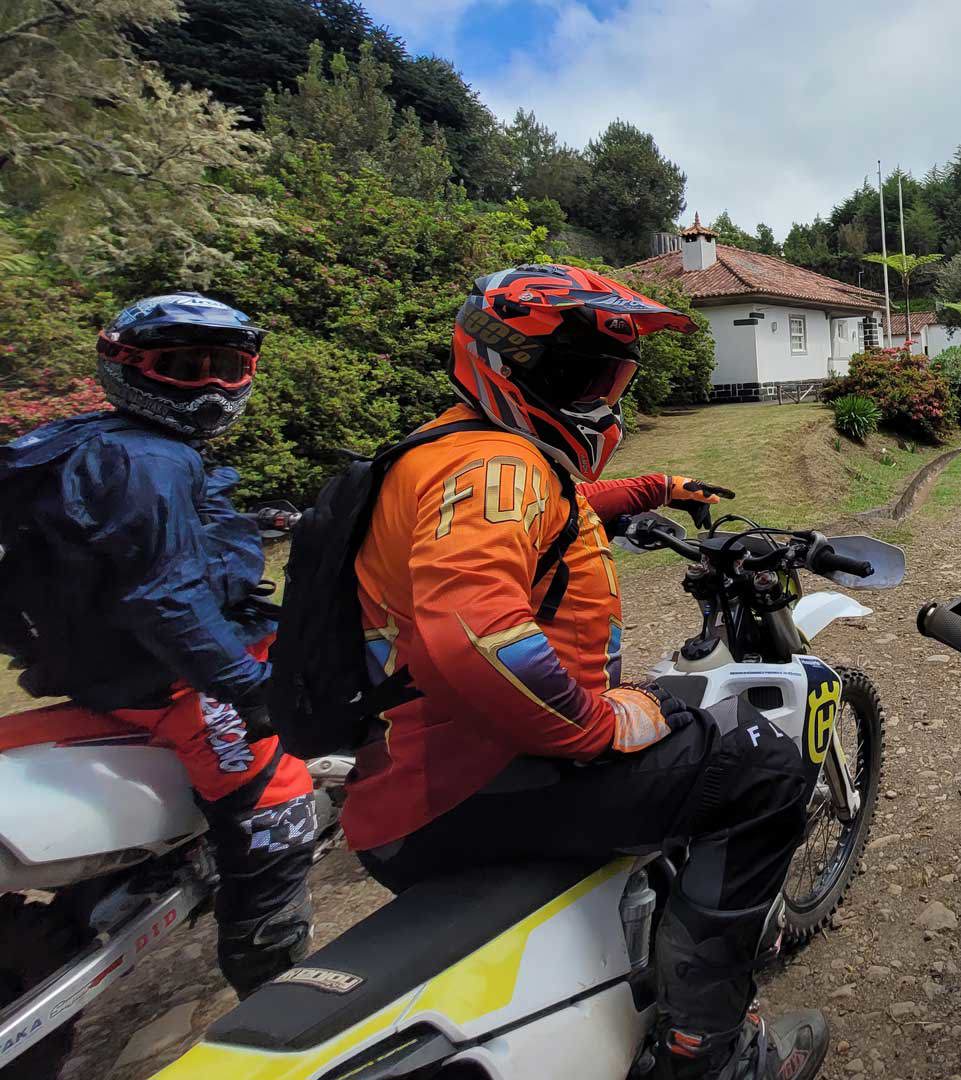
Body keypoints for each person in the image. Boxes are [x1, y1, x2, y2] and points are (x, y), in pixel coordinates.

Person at [343, 264, 825, 1080]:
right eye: (575, 374)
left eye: (609, 374)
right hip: (478, 780)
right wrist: (595, 726)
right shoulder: (492, 469)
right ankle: (705, 1053)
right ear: (501, 364)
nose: (598, 395)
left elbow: (549, 510)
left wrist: (647, 490)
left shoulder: (462, 448)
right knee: (764, 766)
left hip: (424, 768)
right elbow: (477, 639)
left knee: (670, 712)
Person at [0, 294, 318, 995]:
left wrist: (249, 521)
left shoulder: (85, 439)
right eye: (181, 367)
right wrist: (246, 686)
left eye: (225, 367)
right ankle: (275, 985)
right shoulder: (150, 461)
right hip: (175, 675)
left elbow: (125, 539)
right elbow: (166, 597)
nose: (207, 385)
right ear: (129, 368)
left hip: (98, 666)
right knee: (276, 812)